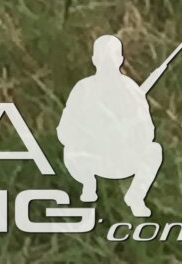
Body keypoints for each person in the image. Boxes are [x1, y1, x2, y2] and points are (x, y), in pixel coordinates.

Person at [58, 34, 163, 218]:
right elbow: (64, 131)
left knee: (154, 151)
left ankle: (136, 196)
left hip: (123, 159)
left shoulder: (131, 91)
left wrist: (128, 130)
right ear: (94, 60)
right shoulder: (83, 89)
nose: (108, 61)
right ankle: (88, 184)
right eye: (103, 56)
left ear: (121, 59)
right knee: (70, 153)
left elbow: (148, 132)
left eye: (112, 56)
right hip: (92, 159)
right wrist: (91, 133)